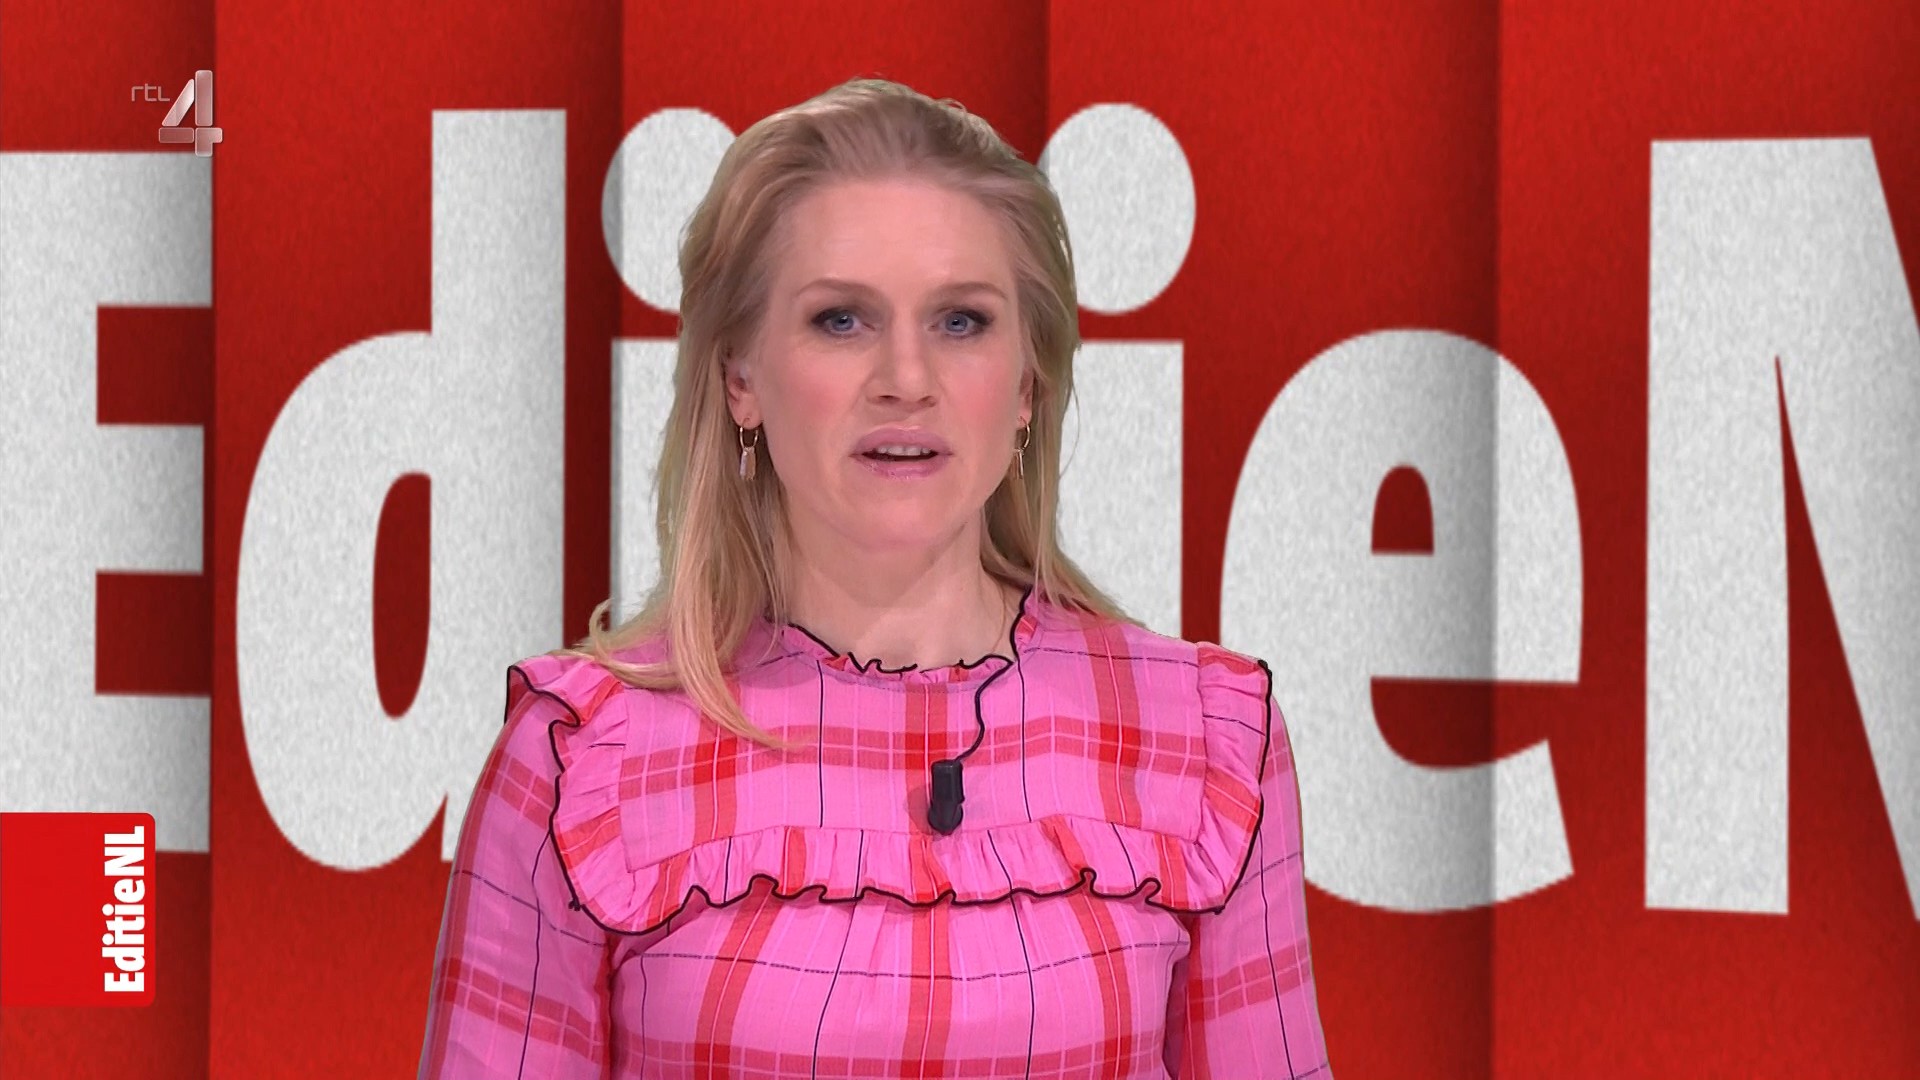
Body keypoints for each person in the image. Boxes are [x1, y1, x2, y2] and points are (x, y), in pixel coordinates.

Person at [419, 76, 1332, 1079]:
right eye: (842, 320)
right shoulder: (577, 758)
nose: (906, 378)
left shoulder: (1205, 739)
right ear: (740, 378)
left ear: (1027, 387)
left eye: (961, 322)